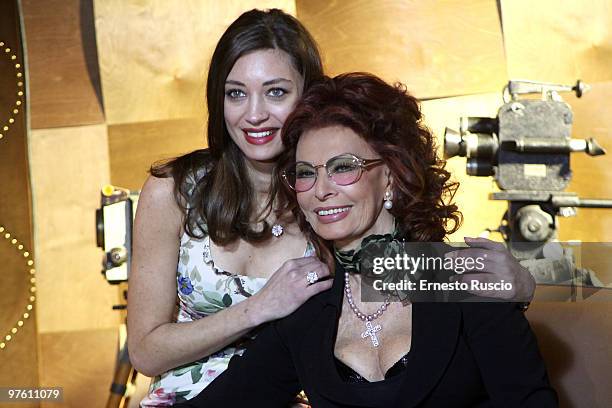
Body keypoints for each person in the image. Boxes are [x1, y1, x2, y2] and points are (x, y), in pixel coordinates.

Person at [174, 73, 558, 407]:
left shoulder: (466, 281)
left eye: (344, 168)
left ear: (390, 175)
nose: (320, 190)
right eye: (306, 173)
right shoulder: (305, 313)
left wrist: (529, 284)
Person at [128, 9, 332, 406]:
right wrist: (259, 308)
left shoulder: (329, 193)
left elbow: (399, 280)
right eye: (236, 93)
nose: (254, 114)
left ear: (309, 95)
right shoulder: (173, 191)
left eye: (276, 92)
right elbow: (145, 351)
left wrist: (482, 275)